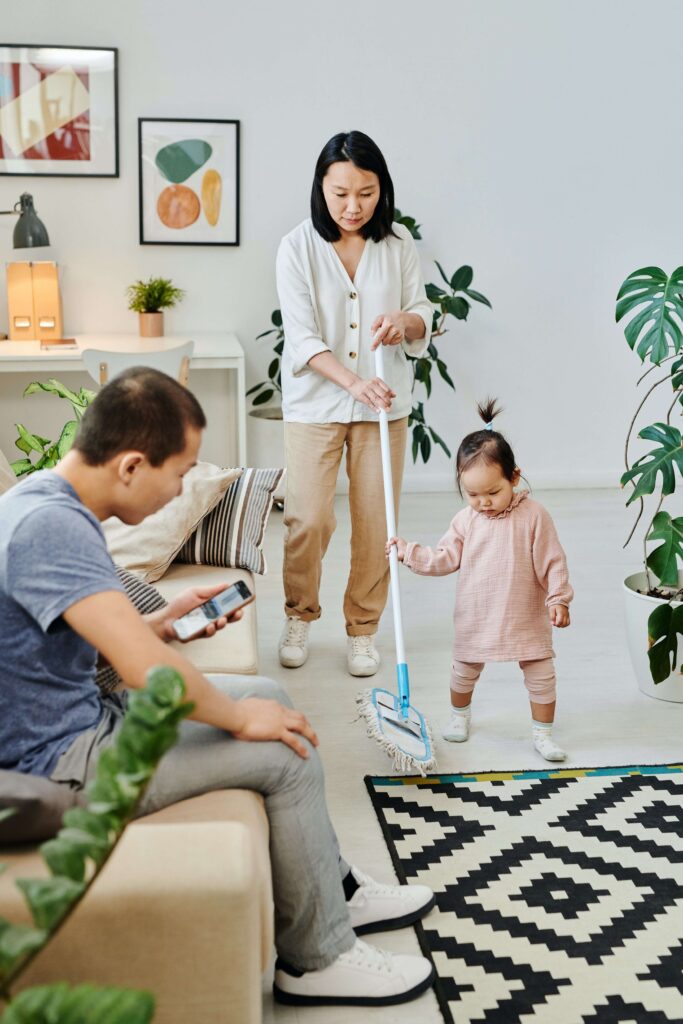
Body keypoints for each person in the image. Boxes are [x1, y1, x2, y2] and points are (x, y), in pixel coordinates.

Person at [0, 368, 435, 1008]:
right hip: (66, 765)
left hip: (81, 723)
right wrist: (236, 718)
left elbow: (75, 642)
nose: (180, 490)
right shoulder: (53, 528)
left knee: (272, 695)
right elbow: (149, 673)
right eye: (180, 473)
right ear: (129, 466)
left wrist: (160, 624)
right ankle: (318, 960)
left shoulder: (41, 500)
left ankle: (337, 890)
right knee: (278, 749)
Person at [276, 130, 432, 677]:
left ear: (381, 189)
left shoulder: (399, 244)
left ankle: (363, 629)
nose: (352, 206)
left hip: (383, 405)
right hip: (315, 405)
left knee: (375, 523)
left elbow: (421, 315)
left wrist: (404, 322)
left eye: (365, 192)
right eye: (340, 192)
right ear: (321, 187)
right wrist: (352, 382)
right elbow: (302, 339)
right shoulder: (296, 246)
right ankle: (299, 614)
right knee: (309, 518)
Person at [387, 399, 573, 762]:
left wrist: (559, 599)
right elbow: (444, 558)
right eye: (472, 495)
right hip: (478, 615)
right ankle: (459, 716)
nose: (483, 503)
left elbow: (553, 561)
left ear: (514, 478)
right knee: (464, 670)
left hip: (524, 616)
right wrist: (409, 552)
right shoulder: (465, 521)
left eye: (493, 493)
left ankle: (543, 733)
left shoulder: (534, 516)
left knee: (541, 674)